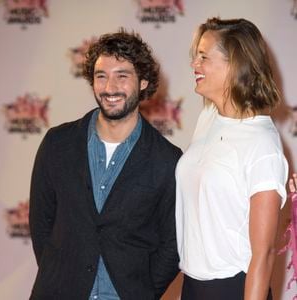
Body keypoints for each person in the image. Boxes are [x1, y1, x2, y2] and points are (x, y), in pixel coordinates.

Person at [29, 28, 182, 300]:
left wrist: (140, 291)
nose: (110, 88)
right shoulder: (57, 143)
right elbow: (41, 223)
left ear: (144, 81)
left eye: (122, 76)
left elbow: (172, 244)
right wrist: (62, 277)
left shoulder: (167, 159)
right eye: (101, 76)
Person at [175, 17, 288, 300]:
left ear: (235, 63)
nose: (194, 65)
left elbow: (263, 256)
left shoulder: (262, 144)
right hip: (192, 285)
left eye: (204, 57)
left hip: (234, 289)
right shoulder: (208, 117)